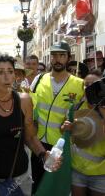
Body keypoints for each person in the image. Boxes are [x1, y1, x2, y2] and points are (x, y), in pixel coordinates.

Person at [0, 55, 60, 196]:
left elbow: (30, 138)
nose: (7, 77)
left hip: (21, 176)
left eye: (10, 71)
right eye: (0, 72)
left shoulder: (25, 100)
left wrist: (44, 154)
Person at [30, 41, 85, 193]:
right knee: (37, 186)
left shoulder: (80, 85)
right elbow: (30, 108)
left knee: (56, 188)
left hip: (62, 146)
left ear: (68, 58)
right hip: (38, 144)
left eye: (62, 55)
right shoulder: (39, 80)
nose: (57, 59)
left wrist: (75, 125)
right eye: (54, 55)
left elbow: (84, 116)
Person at [61, 77, 105, 196]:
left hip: (101, 173)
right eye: (86, 84)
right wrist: (66, 127)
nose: (89, 87)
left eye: (93, 84)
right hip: (77, 170)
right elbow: (63, 128)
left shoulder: (102, 108)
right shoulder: (76, 107)